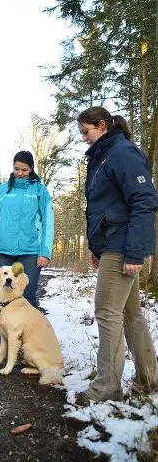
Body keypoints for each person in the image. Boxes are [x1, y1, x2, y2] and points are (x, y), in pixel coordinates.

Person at [75, 106, 158, 406]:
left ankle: (107, 386)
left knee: (107, 311)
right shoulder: (102, 157)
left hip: (123, 245)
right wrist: (96, 248)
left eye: (86, 132)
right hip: (111, 244)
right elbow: (102, 209)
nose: (83, 138)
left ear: (103, 125)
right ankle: (149, 378)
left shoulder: (122, 153)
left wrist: (135, 250)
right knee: (131, 313)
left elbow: (144, 200)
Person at [0, 150, 53, 307]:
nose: (20, 173)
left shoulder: (40, 190)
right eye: (16, 169)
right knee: (4, 295)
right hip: (4, 250)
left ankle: (27, 331)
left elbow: (48, 222)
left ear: (31, 169)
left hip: (30, 251)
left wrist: (45, 251)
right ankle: (4, 331)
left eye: (24, 170)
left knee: (28, 295)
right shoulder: (1, 190)